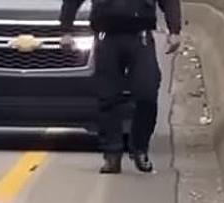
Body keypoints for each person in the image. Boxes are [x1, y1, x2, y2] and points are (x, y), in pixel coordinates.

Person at [59, 0, 182, 175]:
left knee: (147, 90)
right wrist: (66, 29)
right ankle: (112, 154)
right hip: (107, 36)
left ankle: (140, 148)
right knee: (108, 97)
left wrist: (174, 30)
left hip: (141, 36)